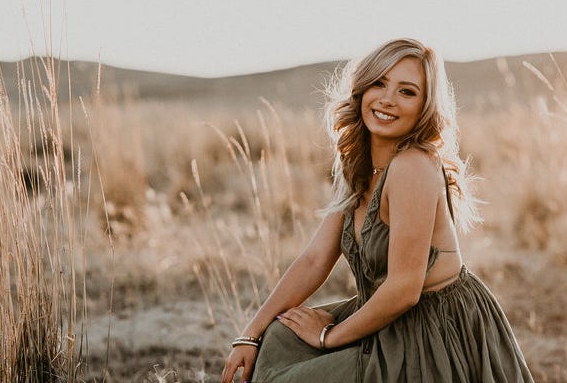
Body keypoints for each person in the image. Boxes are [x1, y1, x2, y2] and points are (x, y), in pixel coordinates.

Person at [221, 38, 534, 382]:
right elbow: (315, 259)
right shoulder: (359, 166)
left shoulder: (412, 166)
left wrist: (329, 338)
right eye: (380, 83)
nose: (387, 99)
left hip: (430, 333)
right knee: (281, 336)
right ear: (362, 89)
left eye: (407, 92)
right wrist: (250, 333)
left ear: (424, 107)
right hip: (386, 315)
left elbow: (404, 289)